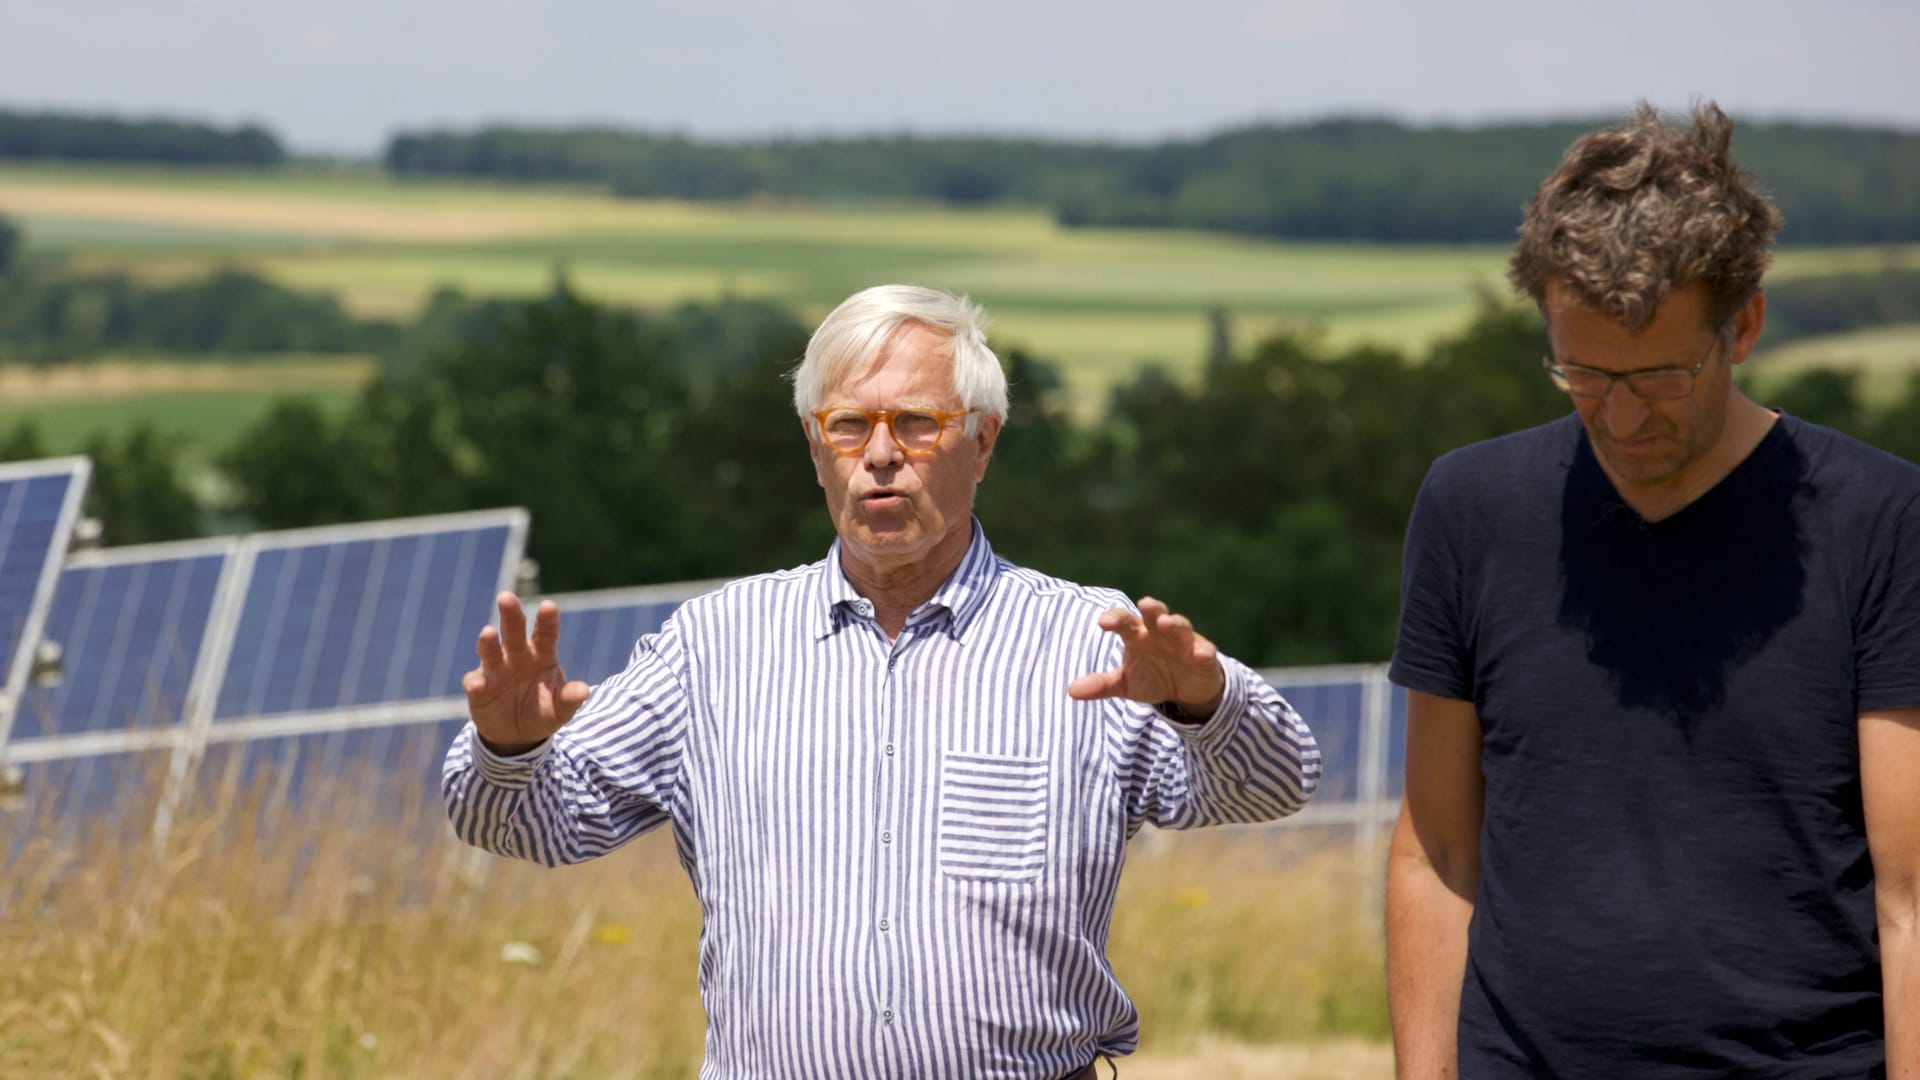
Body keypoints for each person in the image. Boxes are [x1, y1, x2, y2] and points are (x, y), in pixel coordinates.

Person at [443, 283, 1322, 1079]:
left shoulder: (1092, 642)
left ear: (983, 442)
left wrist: (1203, 701)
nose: (881, 456)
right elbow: (519, 823)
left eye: (917, 423)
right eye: (850, 426)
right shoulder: (714, 647)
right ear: (814, 449)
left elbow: (1280, 783)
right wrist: (508, 746)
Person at [1385, 102, 1920, 1079]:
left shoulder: (1883, 521)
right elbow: (1435, 853)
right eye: (1584, 373)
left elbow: (1911, 893)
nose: (1622, 418)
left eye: (1661, 376)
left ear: (1745, 325)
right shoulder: (1472, 506)